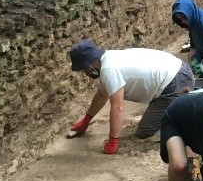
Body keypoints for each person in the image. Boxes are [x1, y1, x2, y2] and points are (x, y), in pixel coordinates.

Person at [66, 40, 194, 150]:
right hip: (177, 73)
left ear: (89, 65)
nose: (84, 73)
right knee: (153, 119)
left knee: (145, 132)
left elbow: (118, 107)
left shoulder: (109, 70)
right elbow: (101, 95)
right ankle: (175, 111)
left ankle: (181, 127)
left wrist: (113, 141)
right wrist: (86, 120)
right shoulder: (109, 58)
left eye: (83, 69)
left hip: (176, 82)